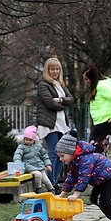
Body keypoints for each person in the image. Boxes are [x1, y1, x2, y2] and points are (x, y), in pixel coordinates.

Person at [55, 131, 111, 221]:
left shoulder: (85, 159)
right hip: (100, 179)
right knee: (93, 199)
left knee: (104, 201)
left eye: (62, 156)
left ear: (71, 151)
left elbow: (84, 177)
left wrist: (76, 195)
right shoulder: (75, 160)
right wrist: (62, 195)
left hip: (110, 176)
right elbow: (71, 177)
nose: (60, 159)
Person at [36, 57, 74, 194]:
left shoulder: (61, 84)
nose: (55, 71)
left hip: (62, 124)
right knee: (52, 153)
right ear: (47, 70)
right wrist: (62, 105)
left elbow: (71, 99)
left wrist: (61, 100)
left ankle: (55, 182)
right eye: (52, 69)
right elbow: (49, 103)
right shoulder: (42, 84)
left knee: (61, 155)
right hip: (49, 124)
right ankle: (50, 184)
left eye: (57, 69)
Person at [82, 65, 111, 156]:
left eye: (87, 79)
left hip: (104, 123)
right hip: (100, 123)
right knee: (100, 152)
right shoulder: (99, 87)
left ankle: (100, 169)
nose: (86, 82)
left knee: (95, 152)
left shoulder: (101, 87)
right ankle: (102, 169)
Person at [13, 126, 54, 194]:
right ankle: (38, 188)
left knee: (46, 180)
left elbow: (44, 155)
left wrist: (48, 164)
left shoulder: (38, 146)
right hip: (29, 166)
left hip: (39, 166)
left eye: (30, 140)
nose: (28, 141)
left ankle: (51, 190)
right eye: (26, 139)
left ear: (34, 140)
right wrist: (18, 163)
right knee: (38, 175)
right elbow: (17, 155)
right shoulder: (22, 147)